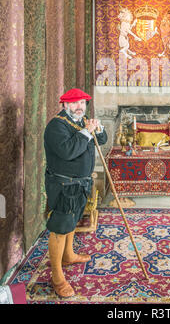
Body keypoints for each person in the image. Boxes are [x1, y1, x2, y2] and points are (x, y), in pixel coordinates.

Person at [44, 88, 107, 298]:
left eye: (82, 102)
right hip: (64, 185)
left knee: (73, 220)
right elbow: (68, 151)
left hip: (81, 183)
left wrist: (97, 129)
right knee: (60, 228)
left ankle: (68, 255)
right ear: (64, 105)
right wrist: (87, 132)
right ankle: (57, 277)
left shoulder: (83, 120)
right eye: (74, 103)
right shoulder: (56, 126)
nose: (79, 107)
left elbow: (103, 139)